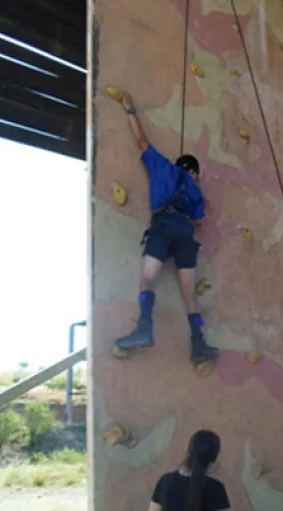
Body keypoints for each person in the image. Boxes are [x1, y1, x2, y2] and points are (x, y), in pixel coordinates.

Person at [112, 91, 218, 368]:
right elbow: (200, 221)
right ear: (195, 172)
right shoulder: (195, 190)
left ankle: (144, 329)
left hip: (162, 225)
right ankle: (199, 346)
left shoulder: (164, 168)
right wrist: (201, 199)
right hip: (185, 233)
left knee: (148, 279)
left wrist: (130, 110)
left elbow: (141, 140)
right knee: (189, 293)